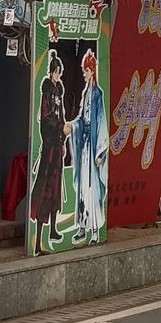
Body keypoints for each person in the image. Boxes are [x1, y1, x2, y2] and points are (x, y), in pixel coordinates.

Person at [28, 51, 67, 252]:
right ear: (52, 72)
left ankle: (52, 229)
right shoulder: (47, 92)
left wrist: (64, 138)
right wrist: (60, 128)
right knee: (46, 189)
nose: (59, 75)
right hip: (50, 148)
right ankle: (37, 241)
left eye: (60, 72)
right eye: (57, 72)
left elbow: (61, 115)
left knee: (56, 189)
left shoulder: (58, 91)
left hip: (58, 146)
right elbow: (46, 119)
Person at [70, 48, 109, 245]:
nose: (84, 74)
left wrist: (100, 152)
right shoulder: (86, 93)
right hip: (84, 146)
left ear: (92, 71)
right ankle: (82, 227)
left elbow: (101, 122)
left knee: (92, 188)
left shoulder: (97, 94)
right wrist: (73, 126)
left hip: (93, 147)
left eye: (86, 70)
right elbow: (82, 119)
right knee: (82, 189)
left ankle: (94, 230)